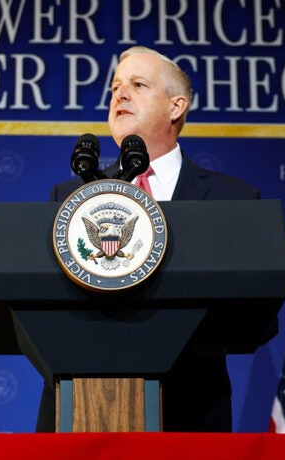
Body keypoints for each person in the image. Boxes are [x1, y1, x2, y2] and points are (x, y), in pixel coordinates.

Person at [41, 45, 260, 432]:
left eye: (138, 85)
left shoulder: (233, 200)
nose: (119, 95)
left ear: (176, 107)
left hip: (190, 414)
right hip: (83, 412)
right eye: (115, 88)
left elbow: (256, 316)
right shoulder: (69, 198)